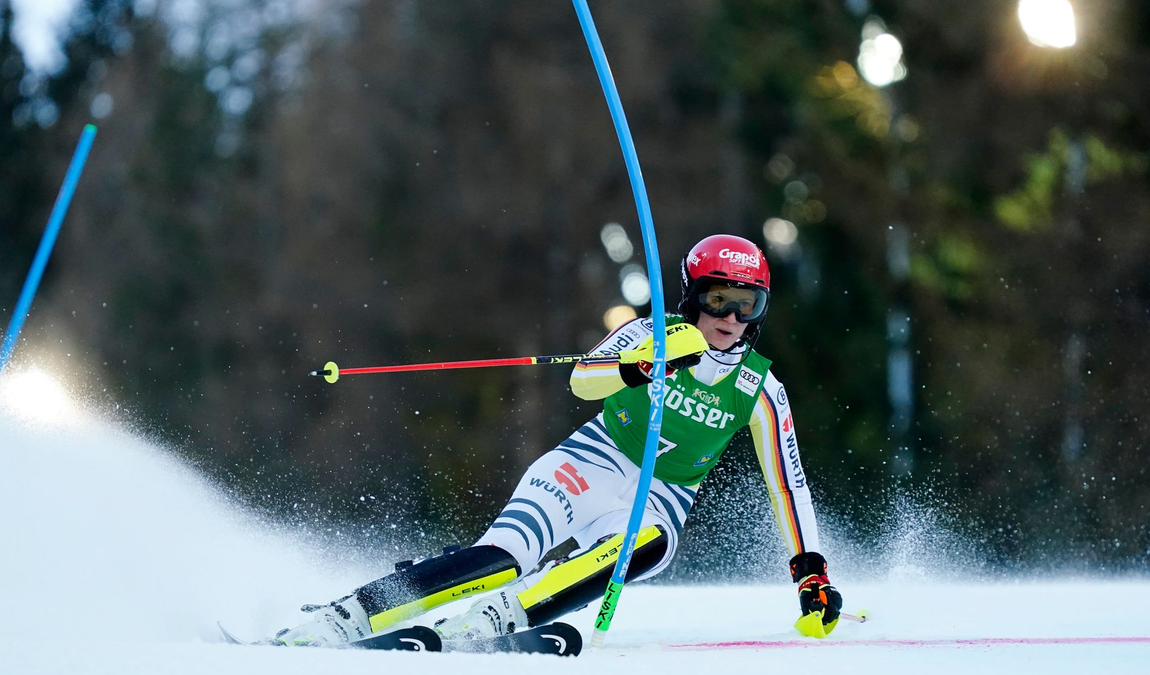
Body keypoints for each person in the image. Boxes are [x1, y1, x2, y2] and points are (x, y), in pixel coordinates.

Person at [273, 234, 843, 646]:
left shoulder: (760, 387)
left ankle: (497, 621)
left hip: (660, 497)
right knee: (506, 558)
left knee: (647, 547)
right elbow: (583, 379)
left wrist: (810, 573)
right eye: (720, 298)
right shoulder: (652, 333)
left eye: (748, 304)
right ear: (694, 295)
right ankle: (353, 613)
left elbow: (787, 487)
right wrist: (639, 369)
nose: (731, 317)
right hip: (590, 462)